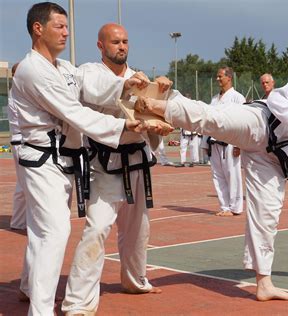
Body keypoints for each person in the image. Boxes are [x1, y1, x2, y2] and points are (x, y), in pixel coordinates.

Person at [135, 53, 288, 301]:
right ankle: (157, 105)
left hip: (274, 159)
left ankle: (264, 283)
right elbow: (277, 98)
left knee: (268, 216)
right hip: (260, 122)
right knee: (216, 119)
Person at [12, 3, 149, 315]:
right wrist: (123, 125)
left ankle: (27, 286)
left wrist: (124, 84)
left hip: (61, 161)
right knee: (55, 231)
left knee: (40, 231)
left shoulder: (62, 68)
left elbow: (90, 85)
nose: (66, 32)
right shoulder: (35, 71)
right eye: (59, 26)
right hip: (41, 160)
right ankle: (41, 310)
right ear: (38, 29)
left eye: (66, 26)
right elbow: (74, 112)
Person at [61, 23, 167, 315]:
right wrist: (125, 86)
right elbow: (93, 93)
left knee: (138, 230)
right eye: (116, 42)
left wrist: (157, 120)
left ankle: (135, 279)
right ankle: (78, 301)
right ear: (100, 45)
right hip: (104, 165)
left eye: (125, 41)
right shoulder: (88, 73)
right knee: (97, 229)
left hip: (136, 160)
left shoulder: (139, 78)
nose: (122, 46)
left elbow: (151, 119)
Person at [207, 67, 245, 216]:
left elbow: (243, 122)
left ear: (229, 78)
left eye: (220, 76)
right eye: (217, 77)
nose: (217, 79)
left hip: (230, 143)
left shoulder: (237, 97)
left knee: (232, 174)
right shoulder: (215, 99)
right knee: (217, 175)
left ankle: (235, 207)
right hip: (214, 142)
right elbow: (209, 120)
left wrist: (239, 144)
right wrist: (205, 142)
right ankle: (224, 207)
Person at [7, 62, 27, 230]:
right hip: (22, 141)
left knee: (23, 184)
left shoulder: (18, 92)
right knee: (28, 183)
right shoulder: (18, 92)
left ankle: (19, 221)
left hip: (20, 141)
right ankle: (21, 222)